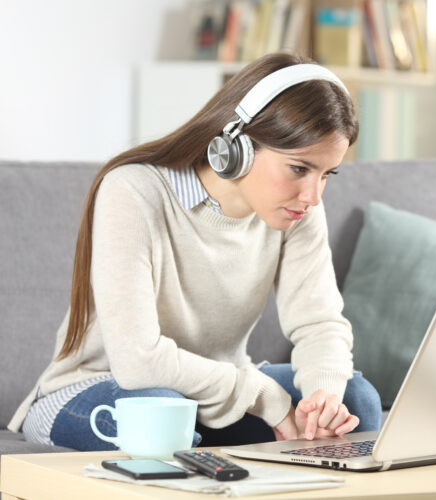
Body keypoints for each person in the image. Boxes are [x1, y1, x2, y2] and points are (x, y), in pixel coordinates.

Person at [8, 52, 382, 450]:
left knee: (356, 399)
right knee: (163, 417)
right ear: (236, 145)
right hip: (100, 388)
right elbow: (138, 362)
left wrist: (323, 396)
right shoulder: (134, 191)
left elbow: (320, 323)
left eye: (328, 174)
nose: (312, 195)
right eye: (299, 168)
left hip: (212, 393)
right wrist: (262, 395)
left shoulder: (300, 209)